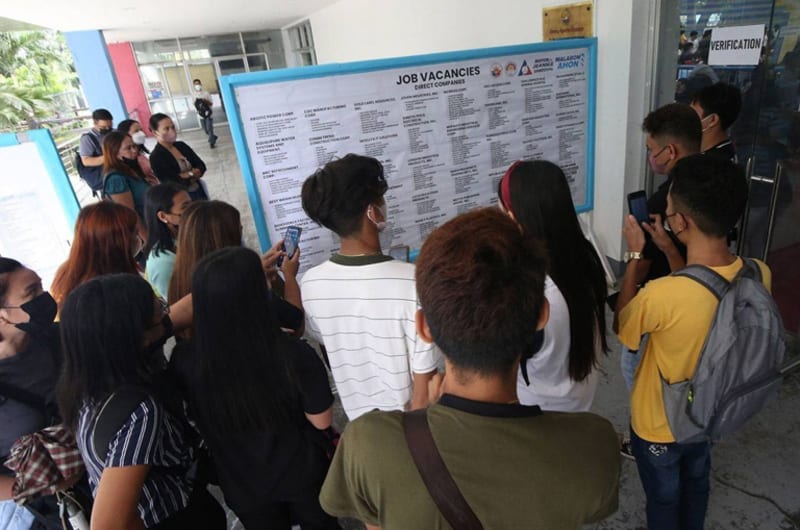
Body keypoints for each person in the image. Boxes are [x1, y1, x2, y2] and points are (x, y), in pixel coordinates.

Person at [320, 208, 620, 529]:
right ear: (541, 316)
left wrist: (423, 423)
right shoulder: (593, 446)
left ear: (424, 328)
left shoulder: (368, 444)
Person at [614, 155, 763, 530]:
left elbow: (624, 328)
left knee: (664, 495)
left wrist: (635, 255)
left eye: (668, 210)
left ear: (681, 221)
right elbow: (703, 289)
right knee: (696, 480)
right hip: (712, 410)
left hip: (660, 425)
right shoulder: (757, 273)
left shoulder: (661, 295)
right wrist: (667, 247)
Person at [171, 247, 339, 529]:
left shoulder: (184, 360)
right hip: (302, 474)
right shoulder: (292, 353)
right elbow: (321, 420)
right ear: (256, 296)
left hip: (241, 483)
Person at [57, 274, 226, 529]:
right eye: (159, 312)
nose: (166, 312)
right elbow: (107, 525)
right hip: (173, 517)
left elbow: (181, 314)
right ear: (138, 337)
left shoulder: (85, 384)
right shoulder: (139, 412)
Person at [300, 154, 439, 420]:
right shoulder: (413, 284)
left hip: (361, 427)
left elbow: (330, 347)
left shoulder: (310, 283)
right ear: (371, 211)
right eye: (381, 199)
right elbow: (424, 391)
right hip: (409, 430)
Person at [497, 160, 608, 412]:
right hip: (579, 397)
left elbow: (502, 358)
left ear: (514, 217)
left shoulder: (529, 288)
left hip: (540, 409)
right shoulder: (586, 254)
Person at [167, 200, 303, 333]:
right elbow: (296, 325)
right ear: (228, 240)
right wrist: (289, 276)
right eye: (239, 230)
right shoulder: (243, 288)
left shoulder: (177, 282)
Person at [0, 259, 61, 527]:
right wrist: (35, 489)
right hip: (50, 506)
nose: (44, 298)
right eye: (31, 292)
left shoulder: (57, 338)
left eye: (41, 286)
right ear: (2, 315)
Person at [50, 202, 141, 309]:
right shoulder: (111, 291)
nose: (139, 239)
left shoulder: (68, 273)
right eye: (135, 234)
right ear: (116, 244)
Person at [143, 184, 191, 301]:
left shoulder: (187, 234)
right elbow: (178, 305)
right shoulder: (162, 262)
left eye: (192, 204)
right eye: (185, 208)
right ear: (163, 216)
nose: (192, 211)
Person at [148, 113, 207, 201]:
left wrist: (186, 175)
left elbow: (201, 165)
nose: (172, 131)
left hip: (198, 191)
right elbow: (171, 182)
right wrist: (192, 174)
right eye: (166, 129)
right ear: (155, 132)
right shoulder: (156, 156)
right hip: (181, 198)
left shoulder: (181, 145)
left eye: (173, 127)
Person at [101, 130, 153, 220]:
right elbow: (129, 214)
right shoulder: (115, 179)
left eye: (134, 146)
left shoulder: (130, 169)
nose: (134, 150)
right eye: (128, 148)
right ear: (115, 153)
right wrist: (146, 234)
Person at [690, 82, 742, 162]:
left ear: (712, 120)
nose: (687, 118)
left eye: (692, 113)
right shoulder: (719, 153)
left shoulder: (716, 164)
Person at [78, 108, 113, 195]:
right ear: (95, 123)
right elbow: (86, 161)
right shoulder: (88, 139)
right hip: (105, 178)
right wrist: (110, 156)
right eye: (103, 127)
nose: (107, 129)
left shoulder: (114, 132)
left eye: (110, 126)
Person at [117, 119, 158, 185]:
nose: (141, 133)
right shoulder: (128, 158)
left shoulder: (140, 153)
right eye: (136, 131)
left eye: (141, 130)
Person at [192, 79, 217, 148]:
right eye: (195, 84)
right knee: (206, 130)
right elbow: (194, 105)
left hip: (208, 114)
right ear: (194, 85)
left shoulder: (206, 93)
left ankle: (212, 143)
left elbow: (211, 103)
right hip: (201, 115)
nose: (197, 85)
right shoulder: (193, 95)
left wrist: (205, 101)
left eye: (198, 84)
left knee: (209, 129)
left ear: (201, 84)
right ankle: (213, 137)